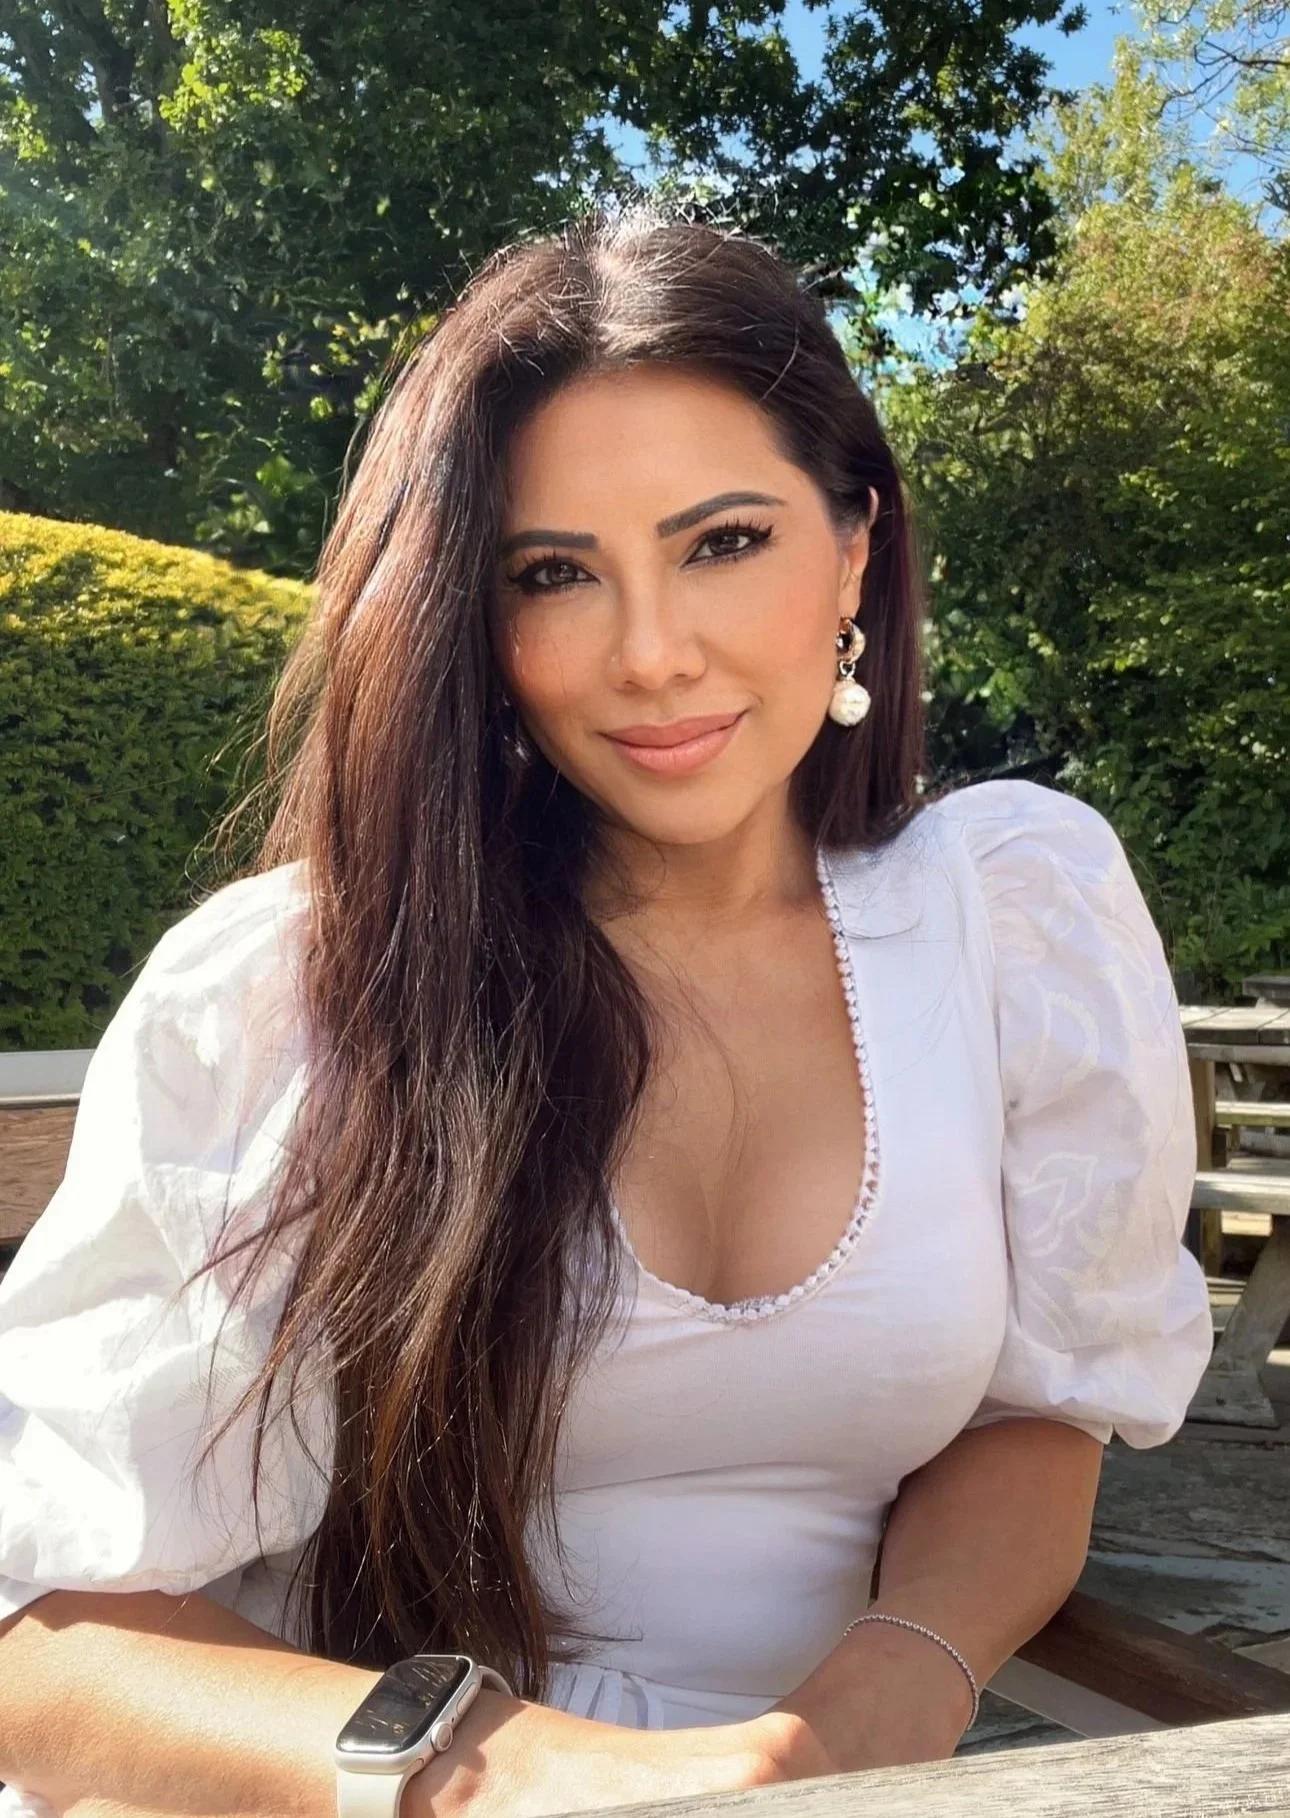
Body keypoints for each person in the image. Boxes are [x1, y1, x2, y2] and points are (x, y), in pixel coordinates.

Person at [0, 208, 1213, 1818]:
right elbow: (43, 1641)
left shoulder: (1010, 919)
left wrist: (872, 1702)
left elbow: (1039, 1414)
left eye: (723, 542)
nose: (649, 655)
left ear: (852, 547)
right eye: (554, 573)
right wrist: (515, 1777)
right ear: (473, 619)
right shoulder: (299, 990)